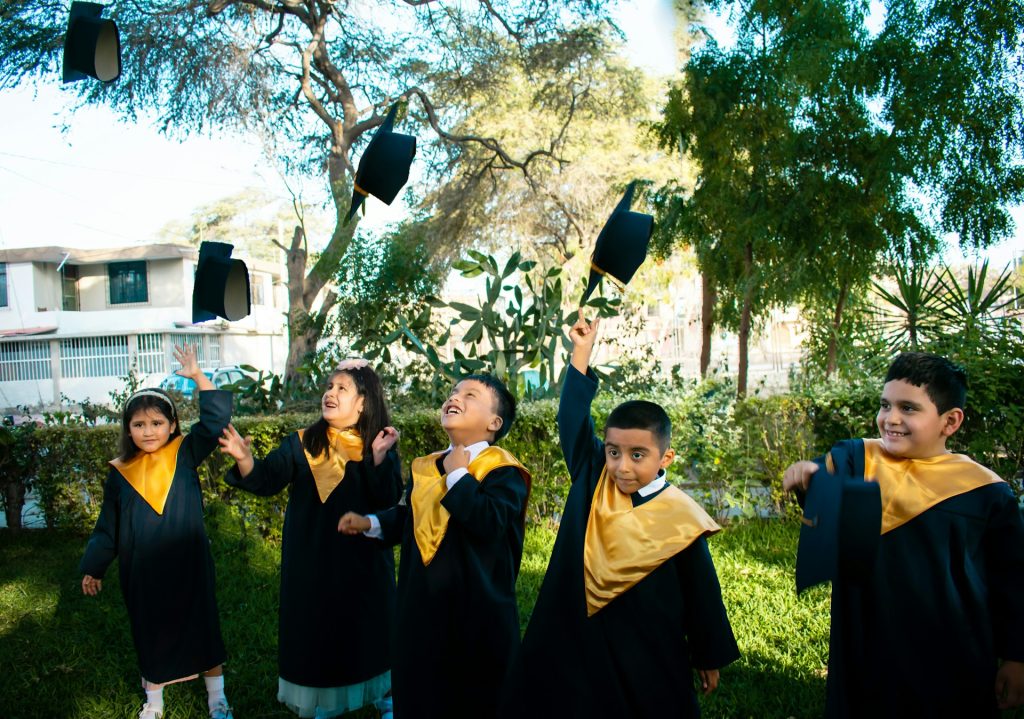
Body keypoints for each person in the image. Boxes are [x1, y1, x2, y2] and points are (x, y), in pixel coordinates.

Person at [501, 310, 739, 718]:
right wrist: (581, 352)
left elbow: (701, 591)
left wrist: (706, 653)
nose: (622, 466)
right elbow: (572, 420)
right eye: (614, 452)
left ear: (666, 457)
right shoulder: (593, 476)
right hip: (582, 639)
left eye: (638, 455)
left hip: (649, 646)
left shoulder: (680, 514)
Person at [782, 351, 1024, 717]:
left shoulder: (985, 493)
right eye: (885, 405)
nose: (890, 419)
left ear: (950, 421)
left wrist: (1016, 657)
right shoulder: (855, 458)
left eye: (908, 408)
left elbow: (1013, 582)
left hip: (954, 653)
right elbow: (822, 500)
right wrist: (805, 477)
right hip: (867, 646)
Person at [338, 374, 530, 719]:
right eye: (454, 392)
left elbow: (490, 522)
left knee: (473, 698)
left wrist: (458, 477)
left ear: (494, 422)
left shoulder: (504, 471)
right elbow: (412, 518)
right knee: (421, 691)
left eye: (470, 394)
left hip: (477, 615)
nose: (455, 397)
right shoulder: (427, 467)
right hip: (420, 609)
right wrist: (372, 522)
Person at [219, 359, 402, 719]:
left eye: (341, 389)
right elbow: (266, 480)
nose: (330, 394)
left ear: (363, 402)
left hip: (363, 562)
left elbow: (386, 502)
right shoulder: (303, 443)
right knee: (319, 629)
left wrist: (379, 460)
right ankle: (324, 702)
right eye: (329, 387)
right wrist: (245, 458)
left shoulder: (377, 443)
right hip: (312, 560)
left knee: (371, 629)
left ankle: (385, 695)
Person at [80, 344, 234, 719]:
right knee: (150, 631)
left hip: (189, 564)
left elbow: (215, 420)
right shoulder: (120, 473)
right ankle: (155, 701)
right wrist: (94, 566)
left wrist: (197, 375)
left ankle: (217, 699)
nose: (148, 432)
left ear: (172, 425)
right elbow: (108, 527)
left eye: (156, 423)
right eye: (138, 425)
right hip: (144, 572)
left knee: (203, 628)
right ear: (128, 430)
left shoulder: (185, 452)